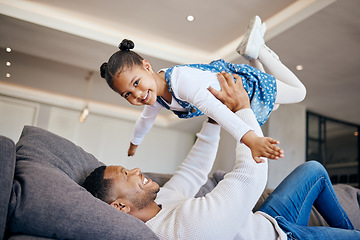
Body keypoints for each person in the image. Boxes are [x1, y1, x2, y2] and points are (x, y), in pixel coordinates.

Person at [83, 72, 359, 240]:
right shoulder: (183, 231)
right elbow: (250, 175)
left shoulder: (160, 202)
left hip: (266, 220)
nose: (136, 170)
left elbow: (192, 172)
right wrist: (241, 109)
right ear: (120, 207)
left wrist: (215, 118)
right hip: (283, 238)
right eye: (126, 175)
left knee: (313, 170)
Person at [100, 16, 306, 162]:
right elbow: (144, 121)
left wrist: (251, 139)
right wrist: (133, 145)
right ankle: (252, 55)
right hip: (238, 95)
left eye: (136, 83)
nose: (137, 95)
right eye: (127, 94)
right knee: (274, 104)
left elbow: (216, 111)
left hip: (242, 87)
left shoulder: (181, 82)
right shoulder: (158, 97)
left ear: (147, 66)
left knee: (299, 93)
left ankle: (259, 50)